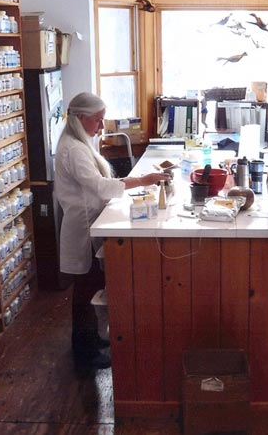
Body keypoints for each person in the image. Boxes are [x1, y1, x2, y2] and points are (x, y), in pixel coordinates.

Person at [54, 92, 169, 370]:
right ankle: (84, 352)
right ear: (81, 118)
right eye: (98, 120)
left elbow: (101, 187)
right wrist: (141, 180)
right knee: (84, 289)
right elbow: (100, 186)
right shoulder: (73, 149)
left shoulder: (80, 142)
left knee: (90, 285)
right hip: (81, 226)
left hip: (89, 220)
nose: (101, 126)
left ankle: (90, 340)